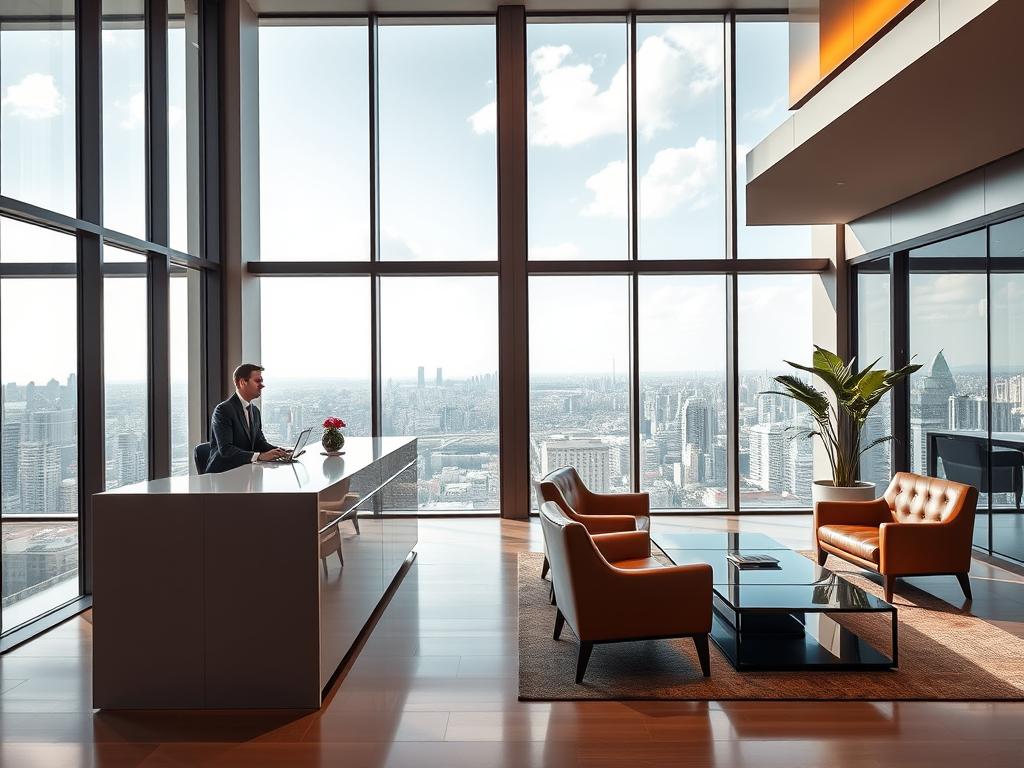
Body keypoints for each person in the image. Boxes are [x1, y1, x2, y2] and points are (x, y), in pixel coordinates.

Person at [206, 363, 289, 473]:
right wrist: (260, 456)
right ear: (242, 382)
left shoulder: (254, 411)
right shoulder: (223, 410)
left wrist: (280, 451)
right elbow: (226, 450)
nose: (262, 385)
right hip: (223, 474)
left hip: (246, 470)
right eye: (257, 381)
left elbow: (259, 442)